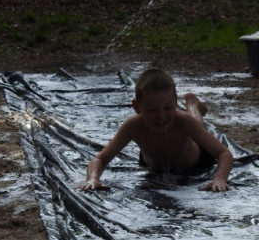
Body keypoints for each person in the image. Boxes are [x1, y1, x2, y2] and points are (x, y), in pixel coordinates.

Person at [80, 68, 234, 191]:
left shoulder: (183, 121)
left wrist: (220, 179)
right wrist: (93, 179)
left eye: (168, 107)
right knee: (187, 124)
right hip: (153, 163)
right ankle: (191, 104)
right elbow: (100, 158)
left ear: (175, 102)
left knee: (195, 124)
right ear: (137, 107)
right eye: (152, 110)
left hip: (196, 161)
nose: (161, 116)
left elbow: (224, 153)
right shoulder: (133, 126)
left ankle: (192, 104)